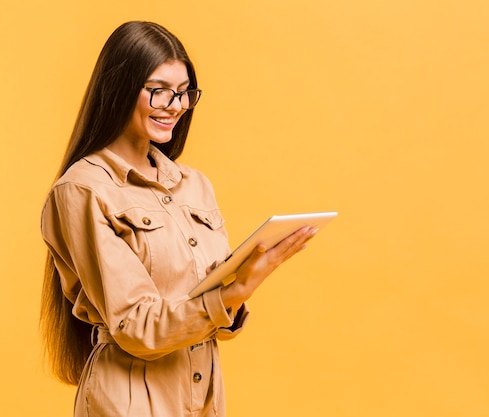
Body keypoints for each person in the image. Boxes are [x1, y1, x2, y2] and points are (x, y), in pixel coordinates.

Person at [40, 21, 317, 417]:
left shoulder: (194, 185)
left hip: (202, 395)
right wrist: (233, 294)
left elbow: (211, 319)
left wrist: (238, 286)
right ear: (118, 88)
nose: (175, 105)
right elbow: (136, 327)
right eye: (159, 91)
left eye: (184, 93)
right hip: (128, 401)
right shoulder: (83, 190)